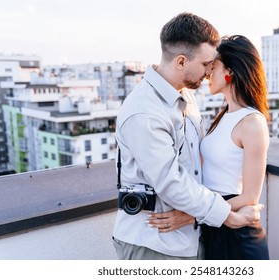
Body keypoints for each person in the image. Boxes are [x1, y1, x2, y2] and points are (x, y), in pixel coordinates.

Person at [112, 13, 263, 260]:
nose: (208, 71)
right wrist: (227, 216)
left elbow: (193, 166)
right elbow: (171, 183)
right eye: (205, 64)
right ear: (181, 61)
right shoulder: (145, 111)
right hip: (155, 244)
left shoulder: (185, 96)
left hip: (187, 238)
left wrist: (199, 217)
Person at [149, 35, 270, 260]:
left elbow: (250, 197)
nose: (207, 75)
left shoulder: (253, 122)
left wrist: (188, 216)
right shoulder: (223, 116)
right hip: (214, 225)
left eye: (212, 67)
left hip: (237, 234)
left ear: (230, 72)